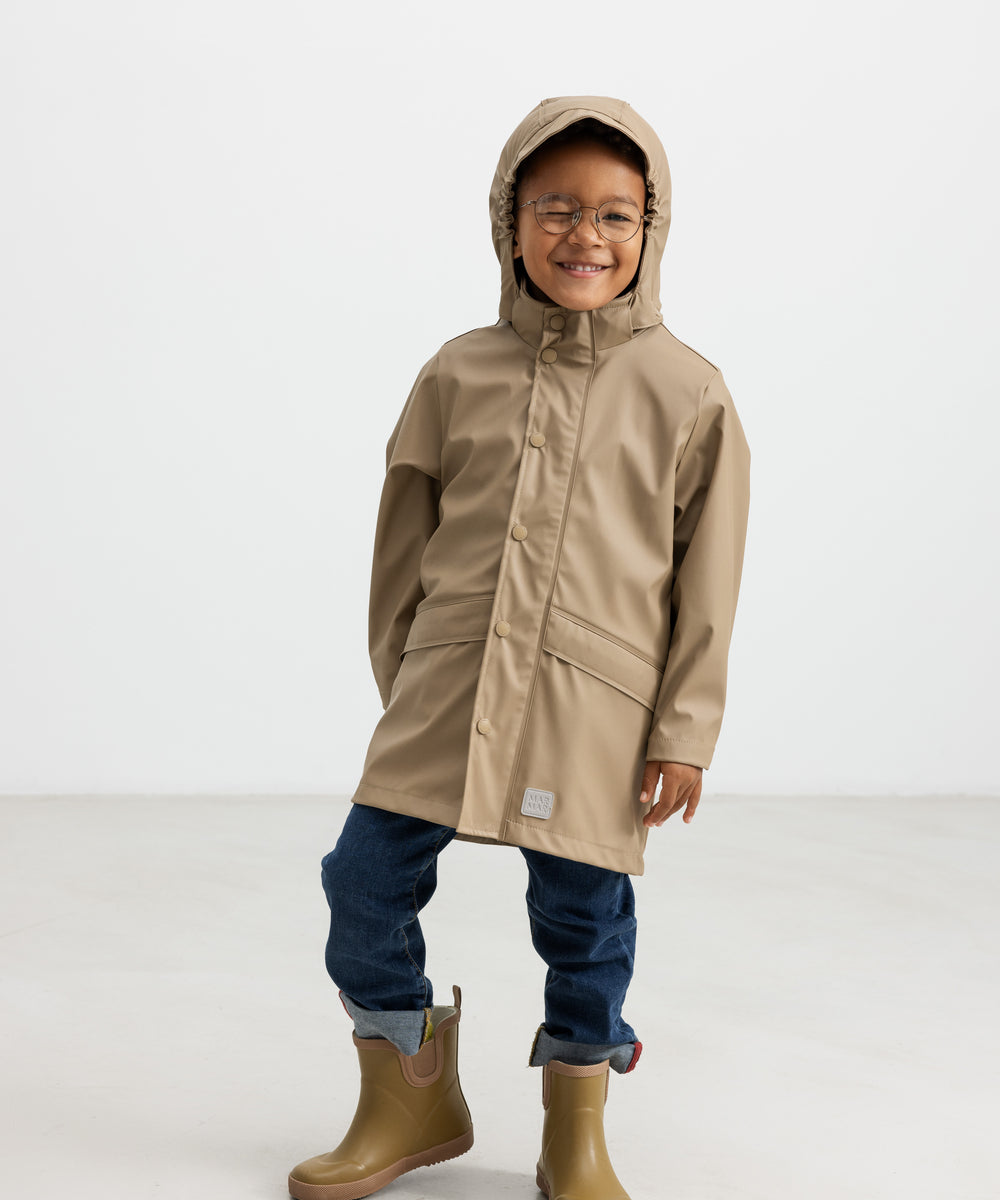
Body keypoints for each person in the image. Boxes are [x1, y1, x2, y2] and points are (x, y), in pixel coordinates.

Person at [288, 95, 750, 1200]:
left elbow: (708, 580)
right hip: (447, 689)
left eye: (615, 214)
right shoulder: (457, 374)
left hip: (597, 710)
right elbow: (401, 545)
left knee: (585, 923)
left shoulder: (688, 392)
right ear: (509, 221)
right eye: (555, 209)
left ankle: (573, 1134)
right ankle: (408, 1097)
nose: (585, 236)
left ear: (651, 229)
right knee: (362, 881)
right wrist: (409, 676)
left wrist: (684, 731)